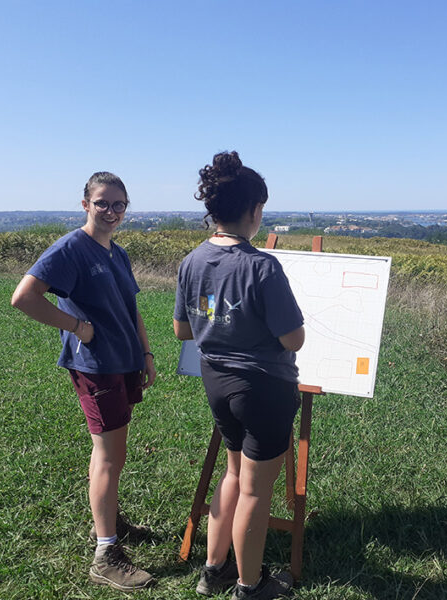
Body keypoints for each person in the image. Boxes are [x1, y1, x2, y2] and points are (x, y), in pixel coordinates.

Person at [11, 172, 156, 591]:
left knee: (112, 451)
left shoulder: (118, 254)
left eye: (119, 205)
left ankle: (107, 521)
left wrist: (145, 353)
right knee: (109, 454)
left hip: (122, 361)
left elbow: (132, 309)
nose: (111, 212)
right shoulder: (71, 249)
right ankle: (106, 553)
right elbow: (24, 296)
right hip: (95, 365)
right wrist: (77, 326)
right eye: (102, 203)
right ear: (85, 205)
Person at [174, 151, 305, 600]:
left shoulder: (192, 261)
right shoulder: (261, 266)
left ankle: (214, 569)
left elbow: (182, 330)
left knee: (232, 473)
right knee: (255, 490)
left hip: (217, 382)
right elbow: (293, 339)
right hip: (264, 388)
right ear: (254, 211)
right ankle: (251, 586)